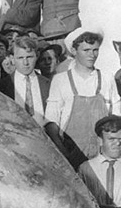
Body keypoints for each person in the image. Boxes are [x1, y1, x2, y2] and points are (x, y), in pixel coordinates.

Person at [45, 29, 120, 169]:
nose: (92, 55)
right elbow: (51, 122)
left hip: (101, 154)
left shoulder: (107, 78)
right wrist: (62, 152)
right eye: (86, 50)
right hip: (70, 151)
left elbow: (117, 116)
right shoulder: (60, 80)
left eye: (95, 50)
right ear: (74, 50)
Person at [0, 37, 51, 124]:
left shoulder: (48, 84)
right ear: (12, 58)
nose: (25, 63)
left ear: (37, 56)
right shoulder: (2, 85)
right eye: (20, 58)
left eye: (29, 57)